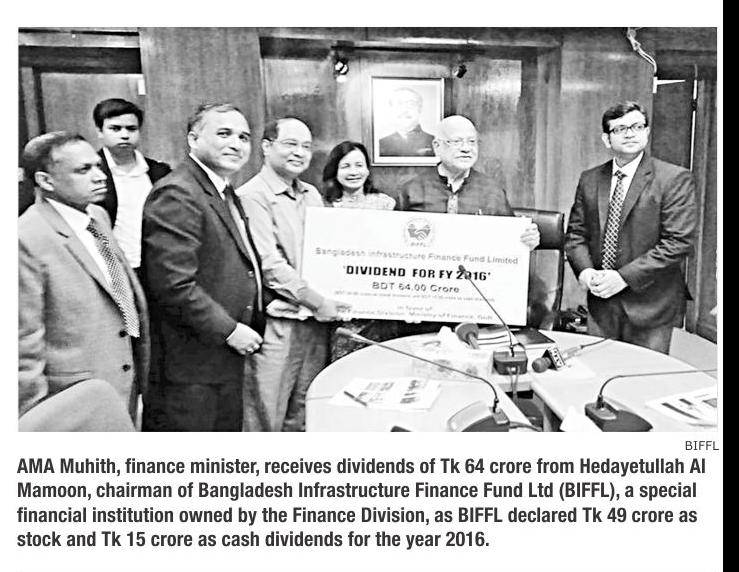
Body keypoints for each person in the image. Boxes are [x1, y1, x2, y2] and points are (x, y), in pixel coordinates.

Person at [141, 103, 264, 431]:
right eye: (224, 134)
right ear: (193, 139)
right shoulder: (178, 192)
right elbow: (173, 285)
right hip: (191, 366)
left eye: (243, 137)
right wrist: (230, 330)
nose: (236, 144)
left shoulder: (222, 190)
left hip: (221, 358)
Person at [18, 131, 149, 425]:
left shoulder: (97, 216)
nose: (99, 176)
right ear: (45, 181)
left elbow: (118, 294)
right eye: (83, 170)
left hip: (122, 381)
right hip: (72, 399)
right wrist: (37, 421)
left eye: (98, 166)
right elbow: (22, 344)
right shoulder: (25, 238)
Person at [238, 117, 349, 431]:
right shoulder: (252, 196)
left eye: (306, 146)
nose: (300, 152)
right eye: (290, 144)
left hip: (315, 323)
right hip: (279, 324)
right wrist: (317, 301)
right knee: (266, 415)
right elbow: (269, 265)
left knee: (305, 411)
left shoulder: (311, 194)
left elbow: (330, 252)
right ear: (266, 146)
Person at [565, 101, 697, 353]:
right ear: (606, 139)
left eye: (637, 126)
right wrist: (585, 272)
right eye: (620, 129)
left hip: (651, 304)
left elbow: (678, 242)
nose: (630, 134)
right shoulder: (590, 179)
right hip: (602, 302)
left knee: (644, 374)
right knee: (601, 370)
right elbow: (576, 235)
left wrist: (624, 278)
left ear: (646, 132)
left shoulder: (674, 178)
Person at [395, 114, 540, 335]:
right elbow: (394, 252)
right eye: (457, 142)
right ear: (437, 146)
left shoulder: (492, 191)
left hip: (476, 304)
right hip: (425, 304)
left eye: (472, 142)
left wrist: (526, 242)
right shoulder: (411, 190)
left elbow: (509, 249)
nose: (466, 149)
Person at [322, 140, 397, 360]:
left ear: (367, 169)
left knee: (381, 363)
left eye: (359, 165)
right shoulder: (323, 206)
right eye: (345, 166)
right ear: (335, 171)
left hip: (380, 302)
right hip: (342, 305)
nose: (354, 172)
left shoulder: (386, 204)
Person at [93, 98, 171, 273]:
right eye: (115, 129)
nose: (124, 135)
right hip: (110, 268)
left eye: (131, 129)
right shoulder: (91, 172)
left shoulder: (159, 172)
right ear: (99, 131)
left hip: (155, 266)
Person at [378, 88, 435, 157]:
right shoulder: (380, 145)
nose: (405, 110)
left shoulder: (434, 142)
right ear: (391, 110)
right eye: (399, 104)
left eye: (411, 104)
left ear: (420, 109)